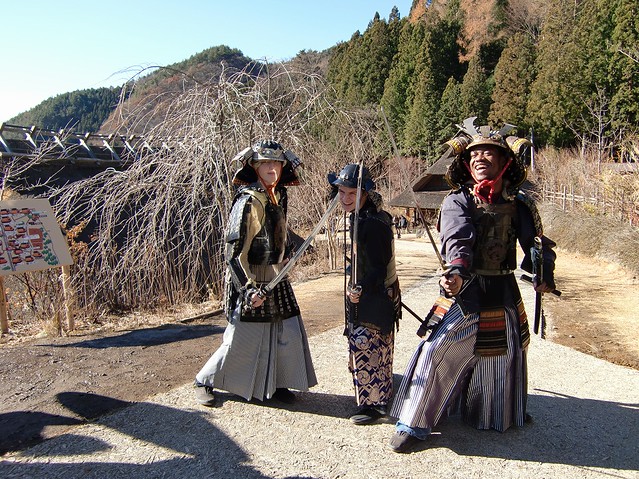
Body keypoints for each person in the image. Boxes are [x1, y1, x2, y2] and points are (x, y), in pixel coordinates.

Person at [388, 121, 557, 452]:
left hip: (505, 290)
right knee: (438, 349)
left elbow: (535, 244)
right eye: (475, 152)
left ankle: (494, 413)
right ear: (465, 163)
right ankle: (414, 421)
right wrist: (456, 271)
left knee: (505, 353)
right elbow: (457, 240)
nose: (481, 157)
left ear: (505, 162)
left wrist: (542, 273)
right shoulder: (457, 201)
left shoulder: (520, 203)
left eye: (489, 152)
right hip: (466, 289)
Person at [194, 140, 317, 406]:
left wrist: (288, 251)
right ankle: (205, 379)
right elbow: (234, 253)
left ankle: (279, 383)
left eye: (276, 163)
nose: (271, 168)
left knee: (288, 333)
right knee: (241, 339)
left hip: (276, 276)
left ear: (283, 166)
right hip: (252, 277)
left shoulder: (279, 194)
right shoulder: (247, 201)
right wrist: (248, 289)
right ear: (254, 166)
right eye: (265, 163)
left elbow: (276, 233)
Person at [328, 164, 401, 424]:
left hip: (374, 296)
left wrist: (360, 289)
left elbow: (378, 268)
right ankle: (378, 395)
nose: (346, 199)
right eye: (342, 193)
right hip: (375, 294)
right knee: (374, 345)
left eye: (352, 194)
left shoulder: (372, 223)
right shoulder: (366, 216)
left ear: (365, 194)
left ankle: (374, 403)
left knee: (368, 345)